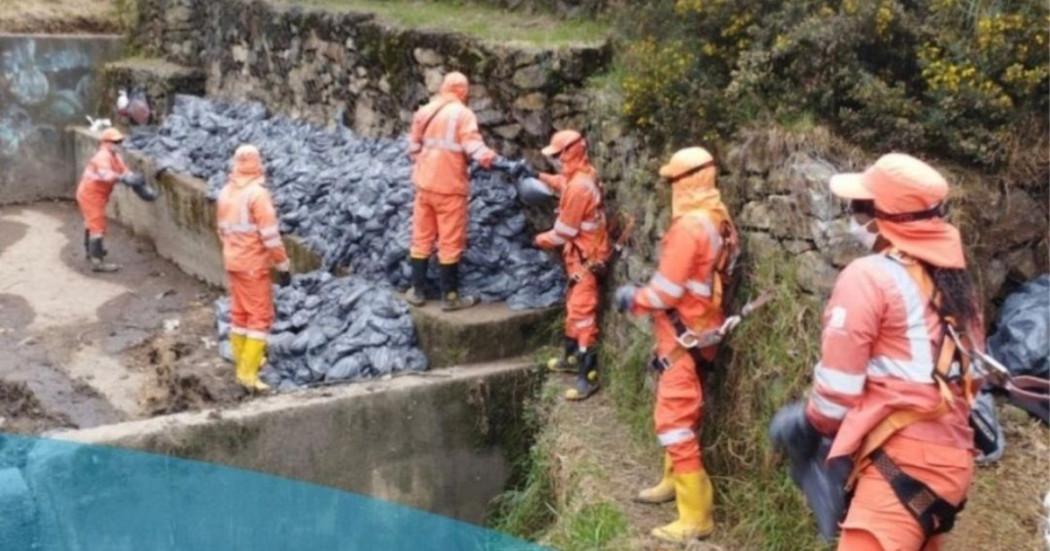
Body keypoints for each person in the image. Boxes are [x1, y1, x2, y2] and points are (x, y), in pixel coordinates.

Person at [801, 153, 983, 550]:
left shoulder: (869, 276)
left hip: (899, 463)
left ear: (883, 217)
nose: (853, 217)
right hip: (951, 462)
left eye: (859, 207)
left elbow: (837, 390)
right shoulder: (957, 285)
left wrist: (808, 427)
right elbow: (973, 379)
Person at [614, 147, 738, 543]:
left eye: (674, 180)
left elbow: (667, 290)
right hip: (699, 328)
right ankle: (672, 480)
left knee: (674, 421)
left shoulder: (689, 227)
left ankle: (695, 516)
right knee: (681, 413)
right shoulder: (718, 219)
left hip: (684, 331)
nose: (670, 187)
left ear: (688, 181)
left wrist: (634, 298)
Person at [405, 71, 504, 311]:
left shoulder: (426, 110)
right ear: (462, 91)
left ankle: (417, 291)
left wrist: (427, 164)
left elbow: (413, 147)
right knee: (449, 242)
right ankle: (450, 297)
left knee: (422, 237)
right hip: (449, 188)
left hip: (424, 185)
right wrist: (489, 157)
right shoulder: (463, 114)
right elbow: (472, 145)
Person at [533, 129, 611, 401]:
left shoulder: (579, 187)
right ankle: (569, 357)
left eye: (557, 155)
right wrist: (537, 177)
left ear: (569, 152)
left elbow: (564, 231)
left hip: (587, 259)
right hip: (580, 256)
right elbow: (562, 183)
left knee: (583, 315)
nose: (555, 159)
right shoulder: (580, 176)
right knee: (573, 311)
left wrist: (539, 239)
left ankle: (587, 377)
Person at [216, 145, 292, 392]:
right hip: (253, 265)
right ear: (257, 163)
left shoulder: (226, 192)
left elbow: (221, 229)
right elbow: (270, 235)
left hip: (233, 261)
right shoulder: (257, 195)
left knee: (239, 314)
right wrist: (282, 264)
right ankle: (247, 375)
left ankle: (244, 360)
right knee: (260, 317)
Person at [76, 127, 129, 272]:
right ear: (105, 142)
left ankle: (90, 251)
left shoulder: (114, 156)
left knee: (92, 223)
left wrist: (131, 178)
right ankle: (97, 262)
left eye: (119, 141)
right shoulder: (102, 156)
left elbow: (124, 171)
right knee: (97, 227)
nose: (118, 144)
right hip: (91, 195)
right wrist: (123, 178)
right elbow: (106, 175)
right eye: (115, 141)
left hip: (98, 194)